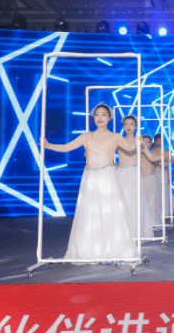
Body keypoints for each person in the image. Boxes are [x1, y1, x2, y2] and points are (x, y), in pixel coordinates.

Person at [39, 103, 141, 262]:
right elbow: (67, 147)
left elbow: (129, 148)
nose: (100, 117)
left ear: (109, 118)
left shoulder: (115, 137)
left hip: (108, 177)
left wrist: (138, 141)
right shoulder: (86, 136)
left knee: (110, 213)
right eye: (97, 114)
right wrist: (48, 145)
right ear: (93, 117)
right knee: (89, 214)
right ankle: (89, 250)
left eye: (103, 114)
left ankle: (112, 249)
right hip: (90, 177)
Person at [116, 116, 158, 240]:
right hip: (121, 173)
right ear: (123, 126)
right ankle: (121, 234)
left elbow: (151, 157)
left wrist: (162, 156)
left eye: (131, 124)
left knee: (135, 203)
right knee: (121, 202)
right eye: (126, 124)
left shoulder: (140, 141)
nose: (128, 127)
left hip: (134, 173)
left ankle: (135, 233)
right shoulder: (118, 140)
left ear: (135, 126)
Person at [151, 134, 174, 218]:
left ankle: (166, 211)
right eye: (160, 140)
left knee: (164, 191)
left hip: (163, 172)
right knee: (158, 191)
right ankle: (159, 212)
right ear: (156, 141)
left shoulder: (166, 151)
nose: (162, 141)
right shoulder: (152, 151)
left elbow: (173, 160)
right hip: (155, 173)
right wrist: (171, 162)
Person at [140, 134, 160, 235]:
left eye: (148, 142)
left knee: (151, 201)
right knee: (141, 202)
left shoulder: (152, 153)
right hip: (139, 179)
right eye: (144, 141)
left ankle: (152, 223)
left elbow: (157, 161)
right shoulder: (137, 153)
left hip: (150, 178)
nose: (146, 144)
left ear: (151, 143)